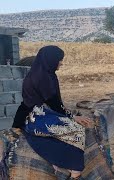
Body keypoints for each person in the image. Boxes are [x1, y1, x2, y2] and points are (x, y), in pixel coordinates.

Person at [12, 45, 91, 179]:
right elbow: (54, 104)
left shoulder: (44, 73)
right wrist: (73, 117)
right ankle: (73, 169)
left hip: (40, 114)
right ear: (50, 59)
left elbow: (54, 104)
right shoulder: (43, 77)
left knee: (70, 126)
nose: (61, 62)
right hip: (35, 119)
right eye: (59, 59)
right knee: (77, 131)